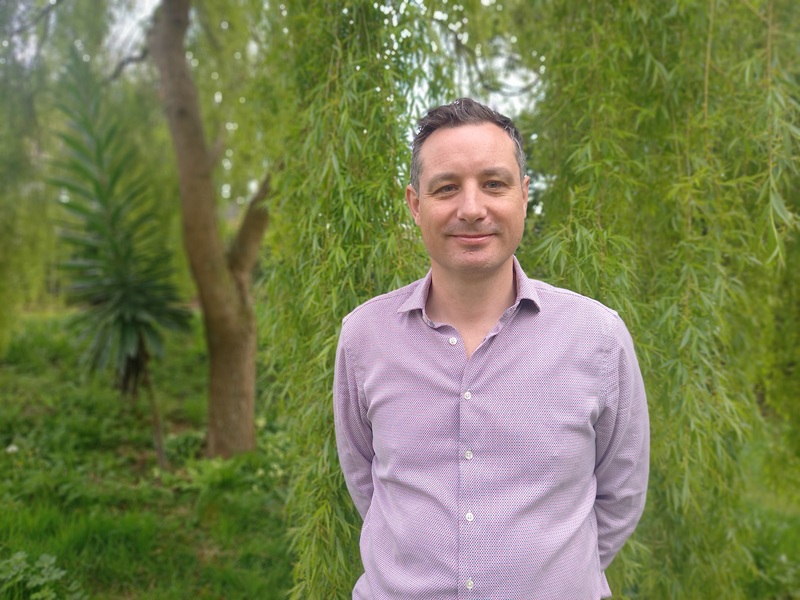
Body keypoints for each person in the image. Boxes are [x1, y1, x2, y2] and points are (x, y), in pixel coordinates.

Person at [333, 98, 649, 599]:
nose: (472, 208)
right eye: (447, 188)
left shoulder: (598, 338)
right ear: (415, 204)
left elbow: (621, 495)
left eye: (494, 184)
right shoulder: (364, 337)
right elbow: (366, 481)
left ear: (524, 195)